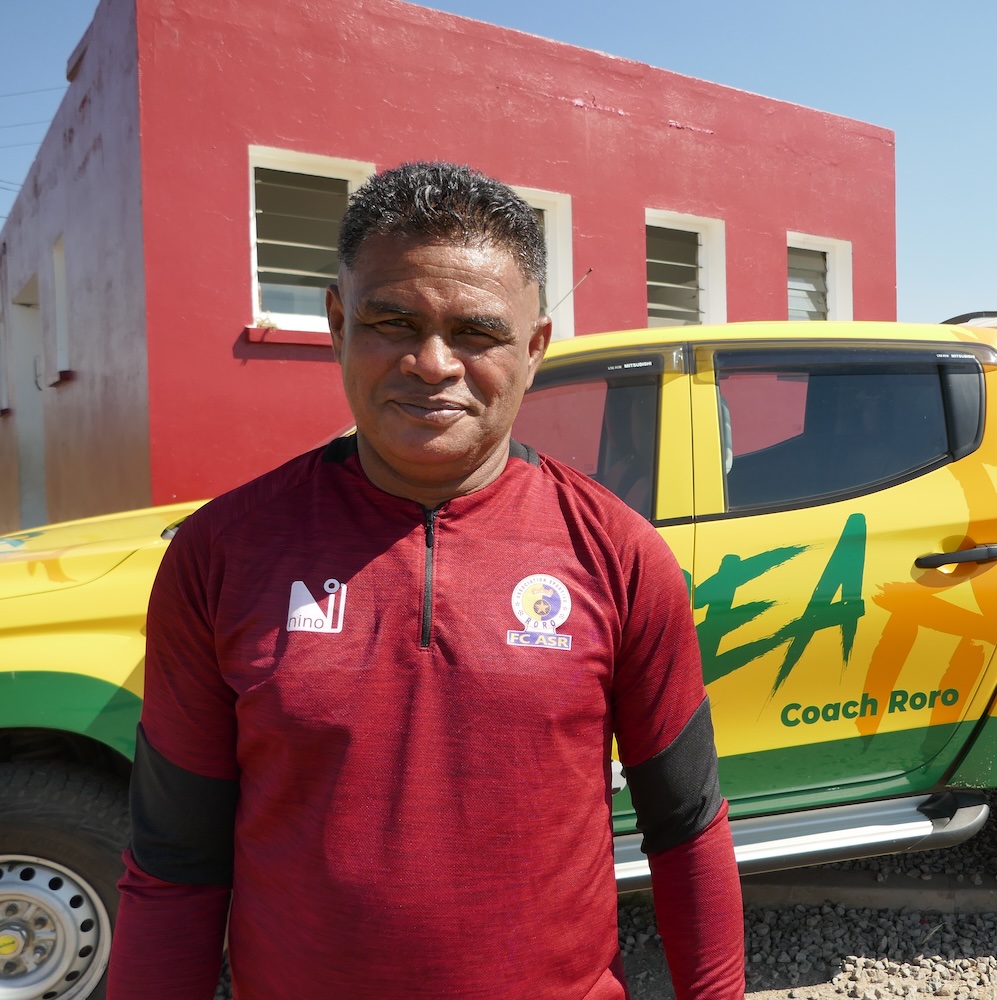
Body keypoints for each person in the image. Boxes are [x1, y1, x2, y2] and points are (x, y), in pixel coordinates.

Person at [106, 162, 745, 999]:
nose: (431, 363)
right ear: (338, 323)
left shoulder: (618, 554)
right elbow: (173, 860)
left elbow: (688, 828)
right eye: (391, 320)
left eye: (476, 332)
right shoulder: (222, 553)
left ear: (535, 347)